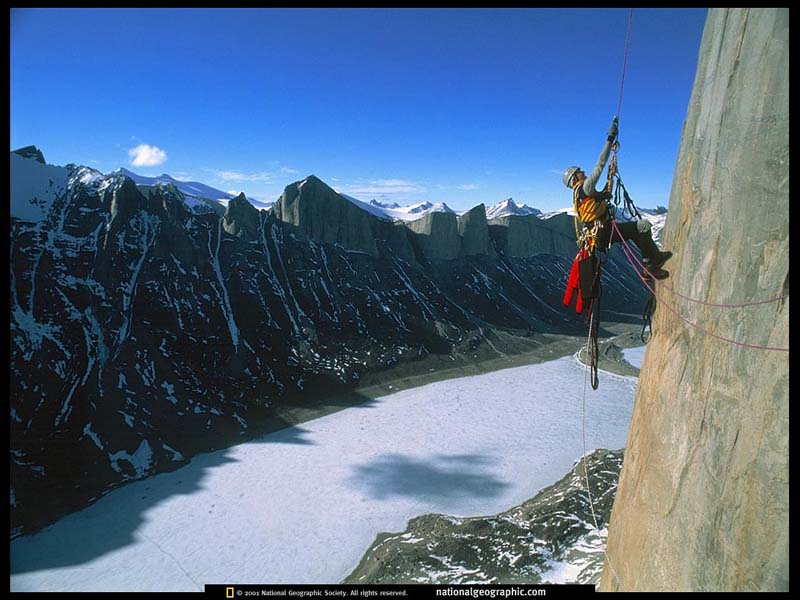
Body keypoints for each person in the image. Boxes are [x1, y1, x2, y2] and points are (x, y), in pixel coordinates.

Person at [562, 116, 672, 279]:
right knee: (642, 226)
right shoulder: (585, 187)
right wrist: (609, 139)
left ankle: (655, 258)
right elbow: (600, 165)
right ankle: (649, 267)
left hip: (598, 234)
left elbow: (602, 196)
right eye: (580, 171)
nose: (583, 172)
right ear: (575, 178)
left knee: (636, 231)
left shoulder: (580, 194)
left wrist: (610, 178)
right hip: (603, 232)